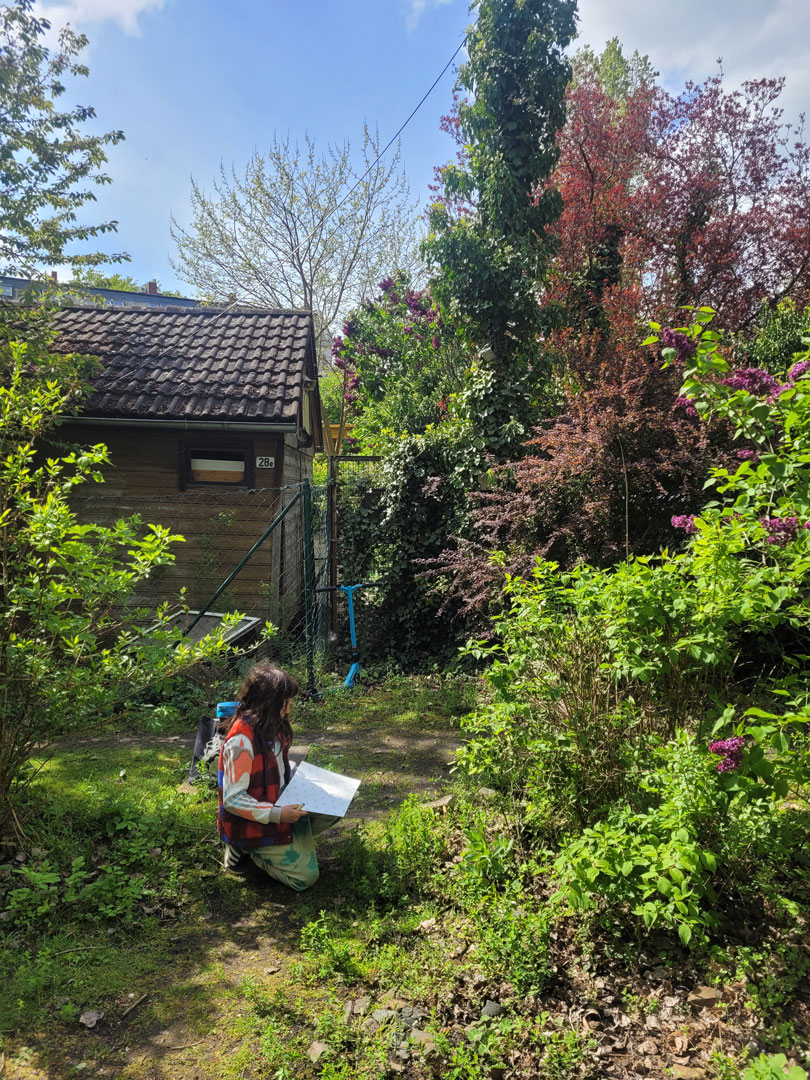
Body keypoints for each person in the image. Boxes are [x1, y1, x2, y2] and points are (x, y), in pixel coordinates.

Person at [217, 662, 334, 891]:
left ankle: (283, 839)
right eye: (285, 701)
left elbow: (279, 768)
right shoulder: (241, 741)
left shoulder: (273, 725)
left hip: (275, 802)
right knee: (306, 878)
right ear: (268, 703)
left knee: (333, 809)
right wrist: (278, 814)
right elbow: (233, 799)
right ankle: (250, 851)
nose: (289, 707)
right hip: (252, 818)